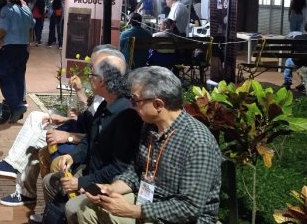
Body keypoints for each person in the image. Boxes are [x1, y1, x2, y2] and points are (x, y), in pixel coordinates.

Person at [0, 46, 122, 211]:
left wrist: (68, 136)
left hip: (79, 141)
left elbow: (97, 138)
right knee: (36, 121)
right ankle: (17, 175)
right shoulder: (103, 98)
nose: (90, 71)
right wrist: (69, 115)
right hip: (77, 130)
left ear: (109, 73)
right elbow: (90, 116)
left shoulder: (119, 108)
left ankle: (19, 178)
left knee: (37, 136)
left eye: (95, 67)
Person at [77, 66, 222, 224]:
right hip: (148, 202)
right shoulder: (150, 126)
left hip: (182, 218)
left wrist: (132, 211)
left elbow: (189, 208)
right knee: (87, 209)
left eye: (135, 100)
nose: (132, 105)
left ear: (158, 105)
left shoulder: (197, 142)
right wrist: (111, 188)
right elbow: (135, 169)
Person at [39, 53, 142, 224]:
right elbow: (90, 140)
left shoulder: (125, 115)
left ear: (101, 81)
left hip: (111, 183)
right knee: (50, 181)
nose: (88, 78)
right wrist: (73, 156)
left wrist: (81, 182)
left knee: (71, 205)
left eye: (92, 75)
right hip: (92, 173)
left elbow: (119, 167)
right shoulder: (105, 104)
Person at [0, 0, 35, 123]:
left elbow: (3, 30)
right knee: (18, 78)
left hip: (10, 48)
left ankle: (16, 106)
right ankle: (18, 107)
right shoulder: (26, 9)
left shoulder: (7, 10)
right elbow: (31, 28)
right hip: (23, 49)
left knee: (5, 78)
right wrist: (28, 44)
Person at [283, 21, 307, 91]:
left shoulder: (298, 37)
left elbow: (293, 50)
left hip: (297, 61)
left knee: (288, 61)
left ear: (305, 29)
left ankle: (287, 83)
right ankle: (304, 83)